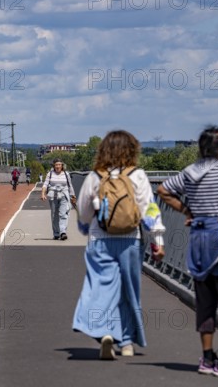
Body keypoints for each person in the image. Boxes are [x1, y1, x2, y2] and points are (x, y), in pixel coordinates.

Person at [157, 126, 218, 377]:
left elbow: (163, 190)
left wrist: (188, 212)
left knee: (206, 301)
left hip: (199, 237)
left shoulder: (190, 172)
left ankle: (207, 358)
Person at [72, 130, 166, 359]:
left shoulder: (96, 176)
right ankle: (126, 342)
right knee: (129, 290)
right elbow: (149, 208)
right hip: (130, 240)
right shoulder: (138, 175)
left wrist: (86, 228)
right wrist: (158, 240)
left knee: (100, 287)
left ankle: (104, 332)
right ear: (132, 150)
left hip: (100, 239)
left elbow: (84, 210)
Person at [40, 158, 76, 240]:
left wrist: (73, 195)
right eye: (56, 165)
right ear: (54, 165)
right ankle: (56, 233)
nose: (58, 166)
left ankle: (63, 232)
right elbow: (45, 184)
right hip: (53, 196)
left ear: (62, 165)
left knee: (63, 213)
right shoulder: (50, 174)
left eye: (59, 164)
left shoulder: (66, 174)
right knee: (54, 215)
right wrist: (43, 193)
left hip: (64, 195)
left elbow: (70, 185)